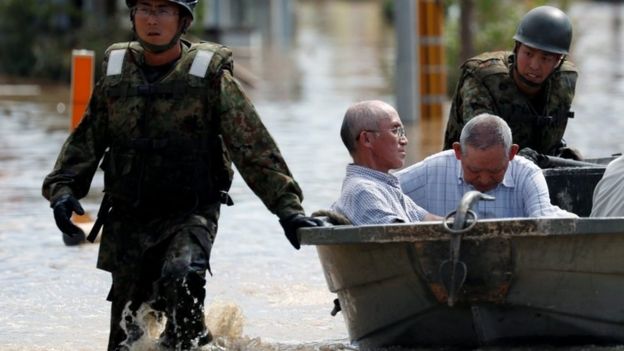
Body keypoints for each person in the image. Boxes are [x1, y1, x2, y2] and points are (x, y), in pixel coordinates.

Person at [41, 1, 323, 350]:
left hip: (190, 212)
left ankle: (193, 340)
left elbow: (252, 145)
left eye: (163, 10)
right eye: (144, 8)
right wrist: (63, 190)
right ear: (132, 16)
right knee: (127, 338)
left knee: (182, 276)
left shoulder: (209, 76)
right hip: (129, 218)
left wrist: (288, 210)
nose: (152, 19)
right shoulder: (116, 74)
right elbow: (87, 139)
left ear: (183, 20)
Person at [443, 5, 580, 160]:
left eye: (545, 58)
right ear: (517, 48)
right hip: (472, 172)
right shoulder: (483, 79)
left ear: (557, 61)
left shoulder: (564, 80)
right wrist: (521, 160)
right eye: (528, 54)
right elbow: (481, 148)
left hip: (539, 171)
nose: (534, 65)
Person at [398, 113, 576, 219]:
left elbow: (544, 218)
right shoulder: (433, 170)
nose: (483, 180)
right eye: (473, 170)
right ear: (458, 152)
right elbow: (381, 188)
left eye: (495, 171)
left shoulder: (527, 175)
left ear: (512, 154)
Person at [331, 100, 439, 225]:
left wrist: (464, 223)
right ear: (367, 139)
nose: (404, 140)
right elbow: (398, 236)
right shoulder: (363, 191)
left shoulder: (383, 186)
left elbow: (428, 220)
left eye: (402, 132)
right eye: (395, 131)